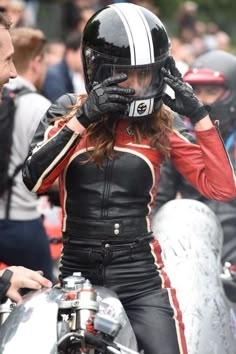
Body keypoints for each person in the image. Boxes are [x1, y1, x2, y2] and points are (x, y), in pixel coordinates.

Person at [22, 3, 236, 354]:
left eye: (147, 75)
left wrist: (198, 115)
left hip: (140, 275)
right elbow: (35, 180)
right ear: (99, 70)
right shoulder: (67, 109)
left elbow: (222, 187)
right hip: (77, 269)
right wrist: (85, 116)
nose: (137, 86)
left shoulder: (162, 123)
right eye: (126, 75)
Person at [153, 49, 236, 301]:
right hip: (193, 255)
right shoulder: (181, 140)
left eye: (211, 91)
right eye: (196, 91)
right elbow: (157, 201)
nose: (200, 99)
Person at [0, 11, 52, 303]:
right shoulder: (41, 105)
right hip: (24, 223)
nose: (12, 72)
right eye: (6, 60)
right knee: (45, 299)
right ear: (37, 62)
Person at [42, 31, 85, 102]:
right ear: (70, 52)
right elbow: (63, 108)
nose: (86, 58)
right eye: (83, 53)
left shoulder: (69, 73)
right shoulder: (54, 75)